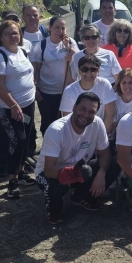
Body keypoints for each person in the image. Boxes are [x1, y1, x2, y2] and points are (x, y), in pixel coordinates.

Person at [35, 92, 120, 224]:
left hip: (80, 169)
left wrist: (101, 173)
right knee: (56, 192)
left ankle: (82, 197)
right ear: (74, 107)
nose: (86, 115)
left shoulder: (97, 123)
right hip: (54, 172)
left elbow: (105, 153)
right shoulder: (57, 130)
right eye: (83, 109)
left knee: (115, 162)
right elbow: (48, 169)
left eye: (92, 112)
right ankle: (54, 209)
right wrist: (70, 174)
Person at [0, 19, 37, 199]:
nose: (12, 36)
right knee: (19, 140)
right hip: (9, 107)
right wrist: (13, 105)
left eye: (15, 33)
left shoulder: (22, 51)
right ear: (1, 37)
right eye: (8, 34)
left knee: (27, 137)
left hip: (28, 104)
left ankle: (21, 172)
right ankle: (12, 180)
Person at [29, 15, 79, 136]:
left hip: (67, 90)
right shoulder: (41, 46)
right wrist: (36, 88)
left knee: (68, 121)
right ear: (50, 27)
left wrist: (68, 47)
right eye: (57, 27)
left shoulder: (71, 42)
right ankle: (47, 148)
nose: (60, 31)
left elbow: (79, 59)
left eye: (63, 28)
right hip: (47, 91)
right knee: (48, 121)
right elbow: (36, 69)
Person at [60, 54, 116, 135]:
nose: (89, 73)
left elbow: (111, 114)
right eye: (85, 69)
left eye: (93, 69)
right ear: (79, 71)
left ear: (98, 71)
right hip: (77, 134)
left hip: (101, 132)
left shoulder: (105, 84)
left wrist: (102, 136)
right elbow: (68, 119)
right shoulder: (69, 91)